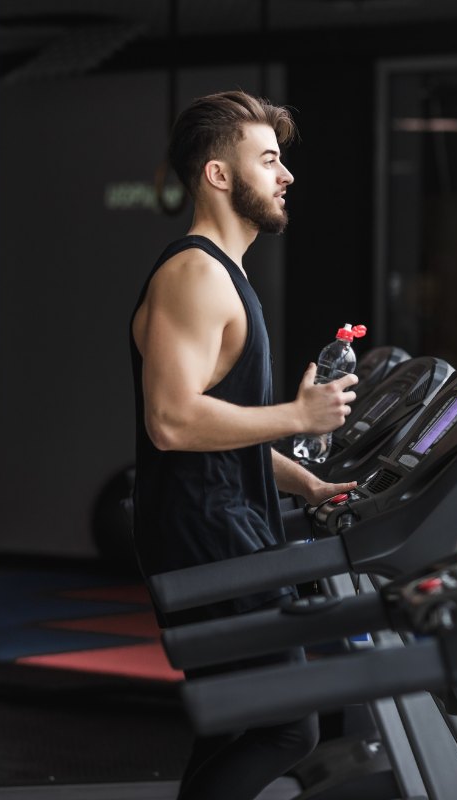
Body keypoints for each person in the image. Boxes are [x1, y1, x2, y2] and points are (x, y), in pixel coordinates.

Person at [129, 90, 357, 800]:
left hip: (226, 519)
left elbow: (223, 429)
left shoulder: (228, 275)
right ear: (218, 176)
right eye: (268, 160)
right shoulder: (196, 274)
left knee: (239, 721)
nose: (286, 175)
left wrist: (308, 485)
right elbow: (172, 421)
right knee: (290, 725)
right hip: (206, 531)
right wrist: (297, 415)